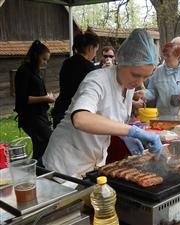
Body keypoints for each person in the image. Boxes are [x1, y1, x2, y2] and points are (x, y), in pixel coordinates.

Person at [43, 29, 163, 178]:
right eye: (136, 75)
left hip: (94, 161)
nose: (139, 82)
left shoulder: (128, 85)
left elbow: (108, 118)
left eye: (145, 77)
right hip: (66, 163)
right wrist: (131, 131)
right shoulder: (97, 79)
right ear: (122, 62)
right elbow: (81, 119)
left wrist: (125, 135)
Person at [14, 40, 55, 164]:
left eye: (47, 60)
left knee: (42, 146)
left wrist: (47, 97)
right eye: (44, 59)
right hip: (31, 117)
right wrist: (45, 98)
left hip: (39, 115)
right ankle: (38, 171)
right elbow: (23, 98)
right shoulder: (24, 71)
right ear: (36, 56)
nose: (45, 63)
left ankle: (38, 172)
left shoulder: (35, 71)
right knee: (45, 143)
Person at [138, 42, 180, 116]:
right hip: (164, 117)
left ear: (178, 56)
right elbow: (153, 92)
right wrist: (144, 93)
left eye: (168, 56)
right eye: (164, 55)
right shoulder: (159, 71)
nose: (165, 58)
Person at [51, 31, 99, 128]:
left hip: (61, 108)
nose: (95, 55)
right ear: (90, 48)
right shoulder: (89, 68)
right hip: (75, 112)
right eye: (95, 50)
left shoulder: (67, 63)